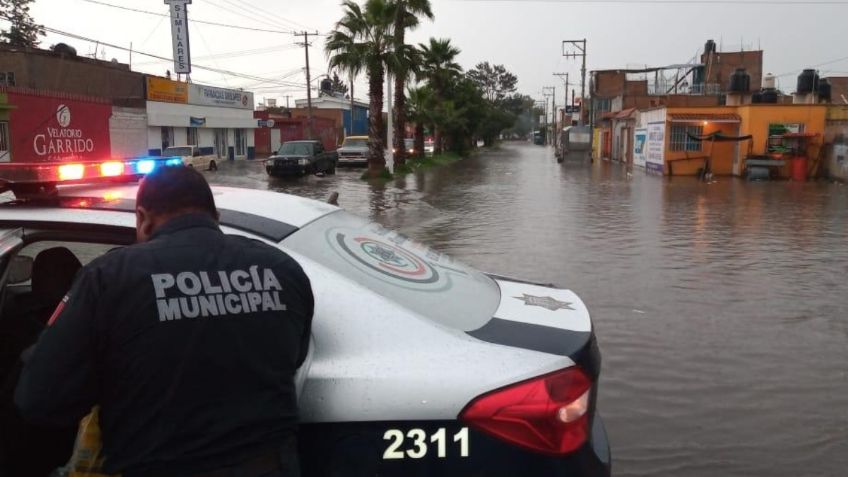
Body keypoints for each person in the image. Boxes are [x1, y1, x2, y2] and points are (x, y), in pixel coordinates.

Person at [15, 165, 314, 477]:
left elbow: (41, 401)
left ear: (143, 218)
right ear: (216, 219)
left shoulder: (108, 278)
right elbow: (294, 357)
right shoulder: (283, 269)